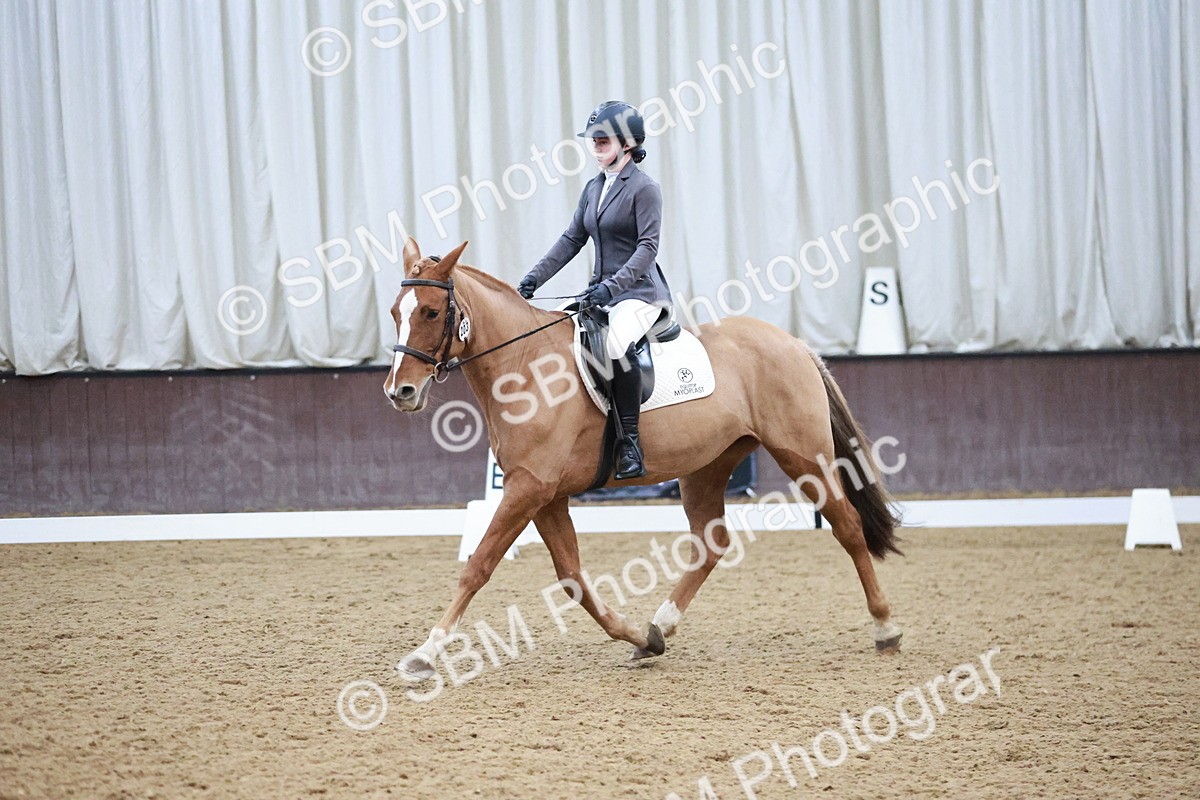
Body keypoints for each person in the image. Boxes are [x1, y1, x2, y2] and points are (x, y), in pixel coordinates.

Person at [517, 100, 672, 480]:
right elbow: (572, 239)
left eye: (604, 139)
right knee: (555, 332)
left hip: (639, 293)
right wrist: (534, 278)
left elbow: (647, 248)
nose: (596, 145)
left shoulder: (644, 188)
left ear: (628, 142)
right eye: (593, 139)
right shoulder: (593, 188)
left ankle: (630, 443)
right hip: (600, 293)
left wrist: (611, 287)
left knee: (617, 347)